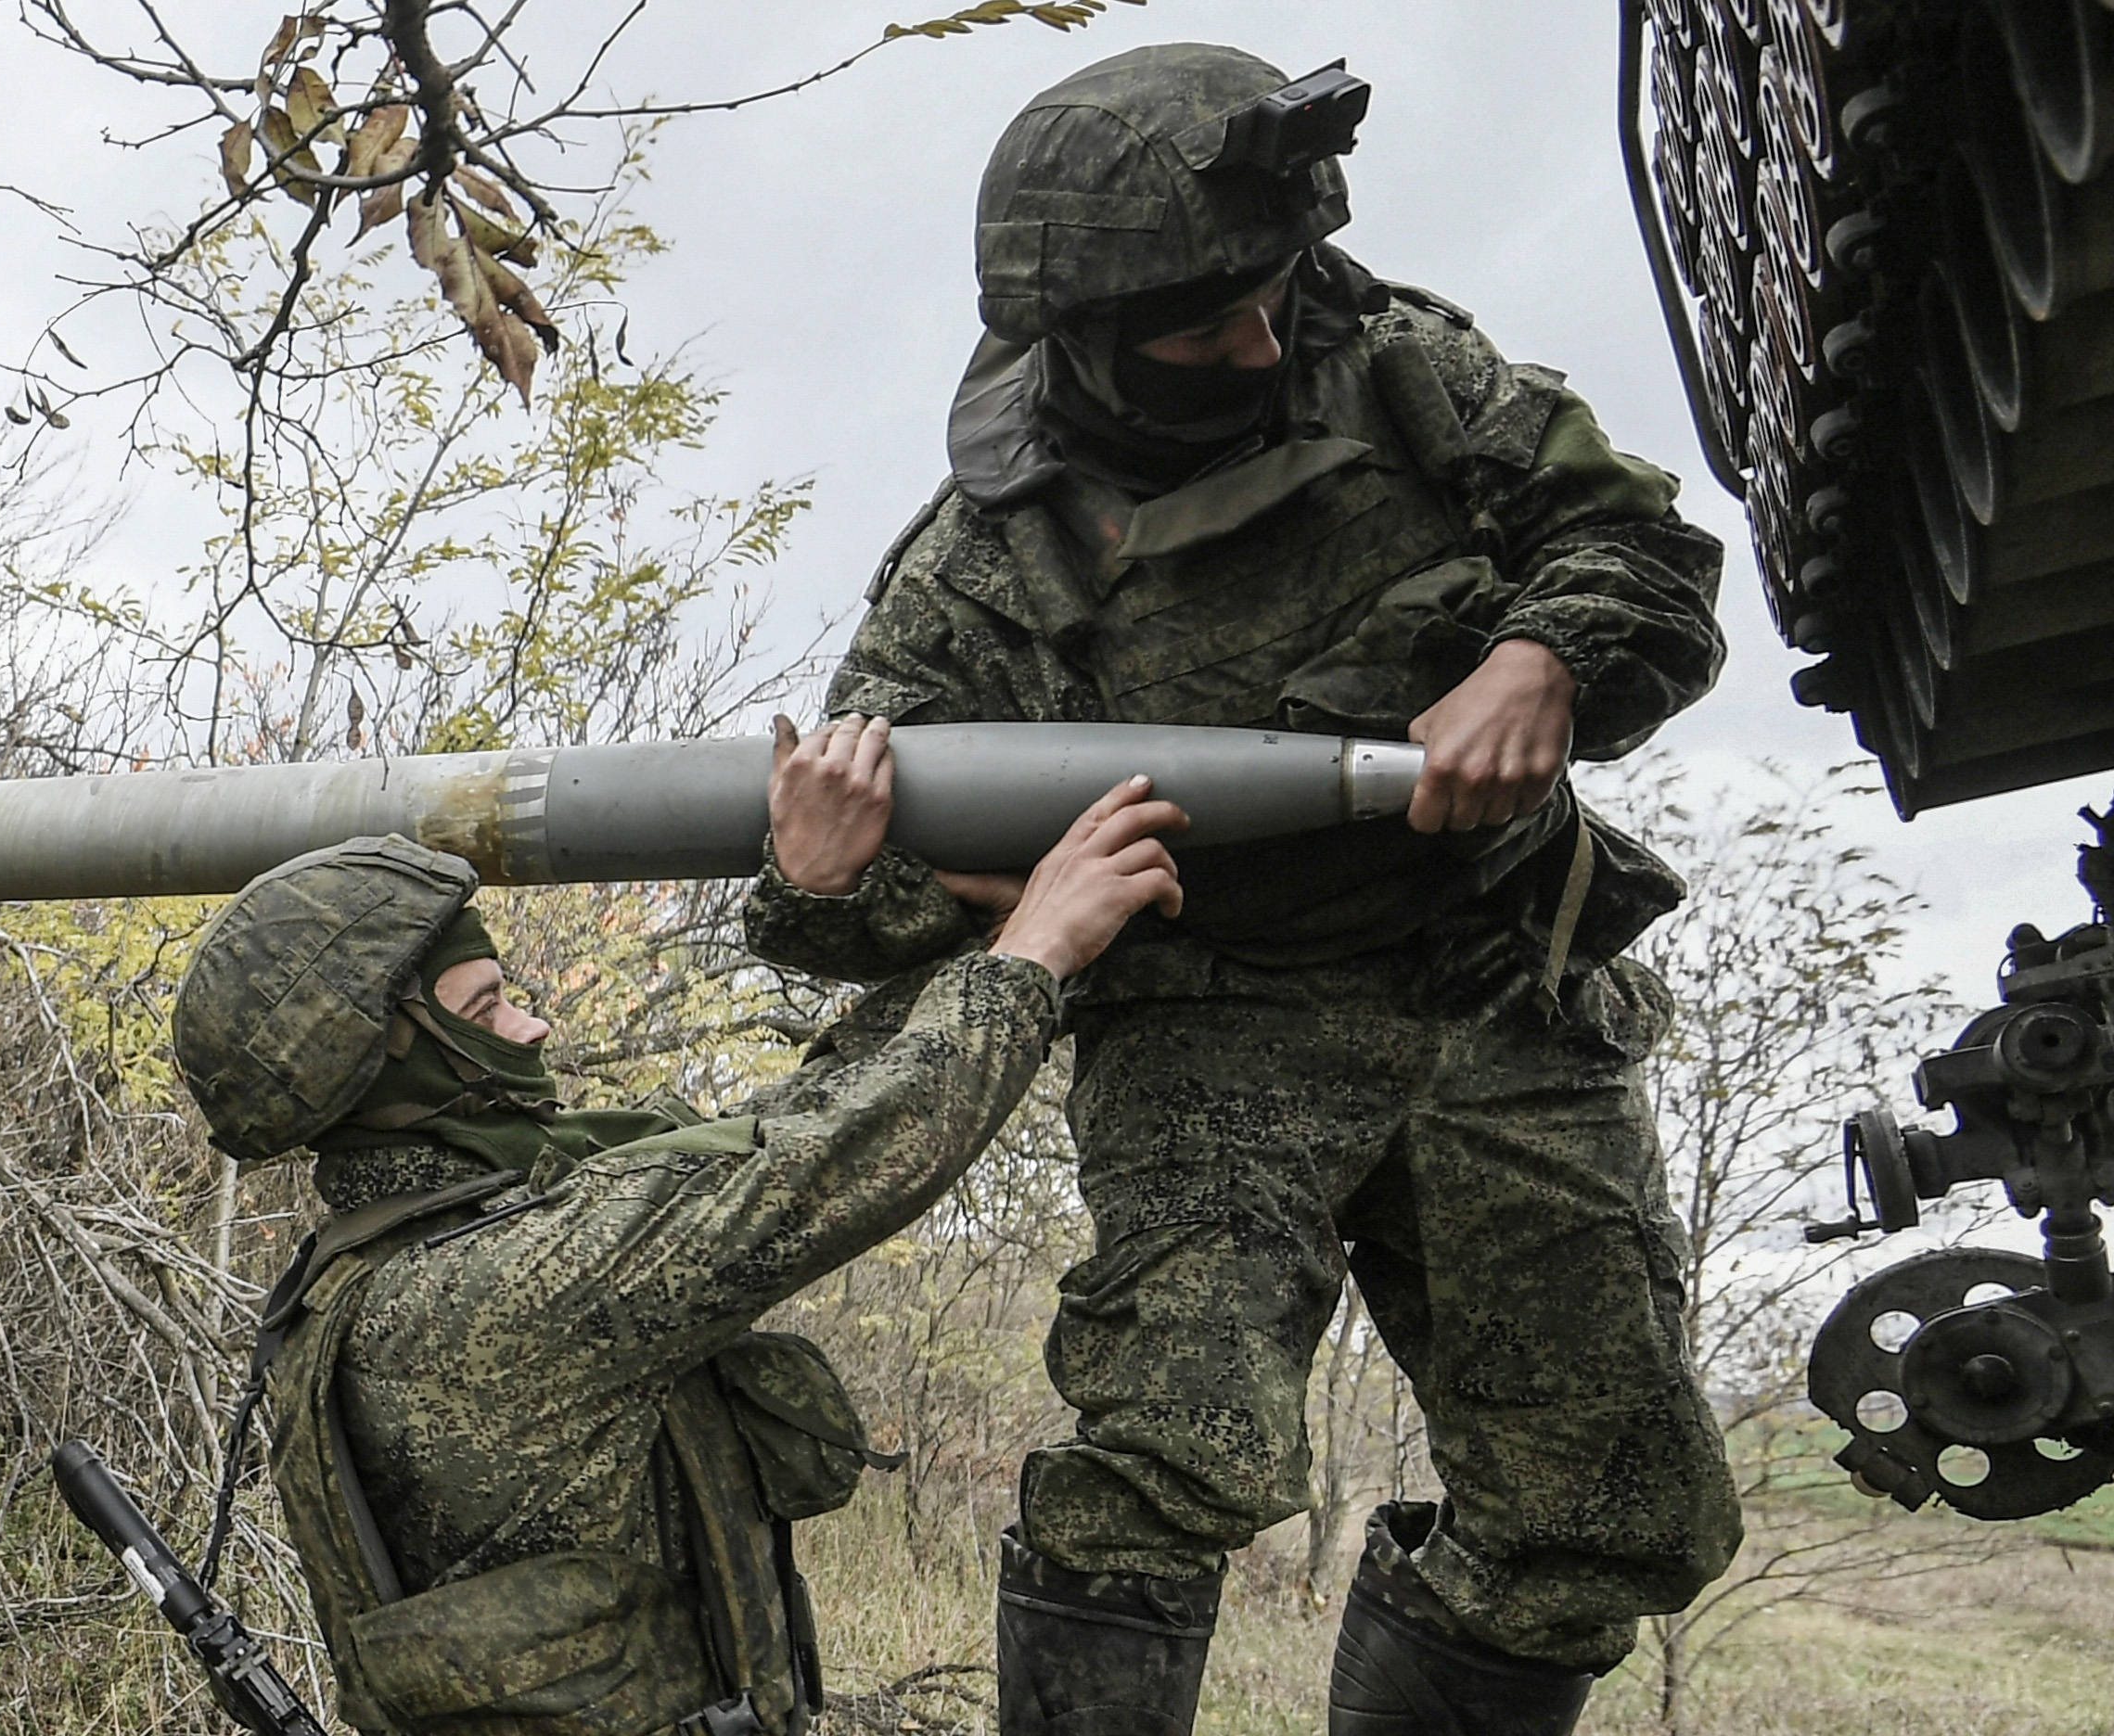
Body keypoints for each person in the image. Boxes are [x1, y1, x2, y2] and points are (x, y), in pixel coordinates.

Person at [741, 42, 1744, 1736]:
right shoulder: (982, 570)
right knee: (1160, 1461)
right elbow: (846, 896)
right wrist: (854, 883)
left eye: (1271, 295)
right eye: (1207, 323)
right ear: (1092, 335)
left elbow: (1639, 552)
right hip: (1215, 1025)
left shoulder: (1402, 366)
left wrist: (1543, 654)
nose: (1261, 342)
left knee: (1605, 1512)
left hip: (1491, 982)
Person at [167, 717, 1185, 1736]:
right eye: (484, 1015)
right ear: (393, 1066)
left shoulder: (422, 1242)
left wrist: (912, 923)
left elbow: (789, 1122)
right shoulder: (476, 1291)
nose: (534, 1029)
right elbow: (829, 1166)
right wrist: (1031, 954)